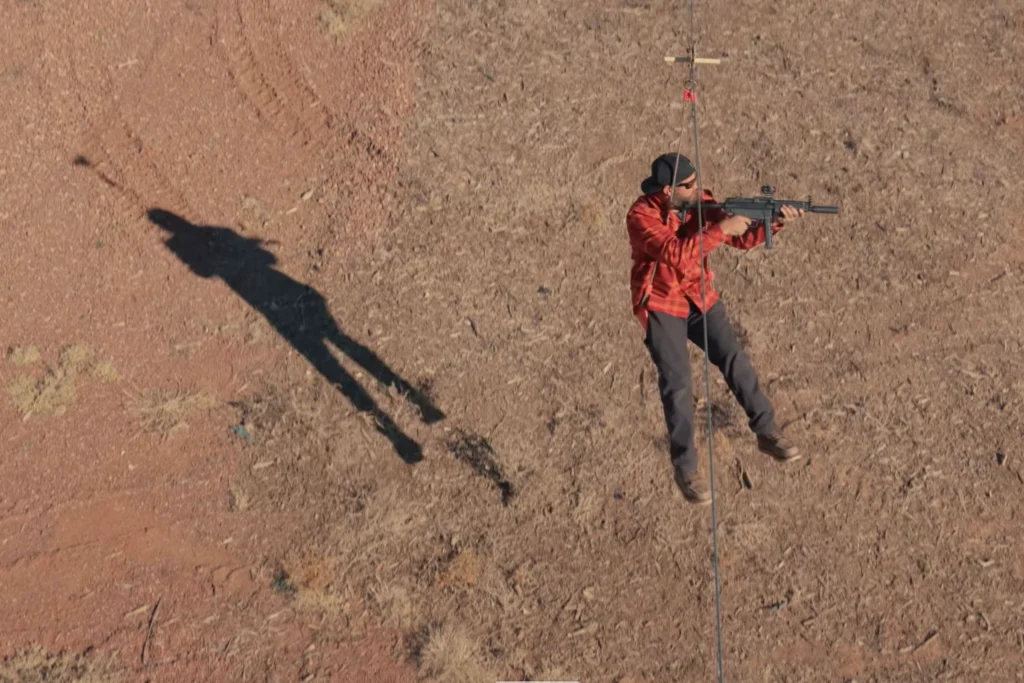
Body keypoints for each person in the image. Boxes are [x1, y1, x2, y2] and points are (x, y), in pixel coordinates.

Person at [626, 152, 803, 504]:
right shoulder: (641, 215)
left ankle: (767, 431)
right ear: (668, 190)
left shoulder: (702, 202)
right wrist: (720, 230)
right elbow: (675, 253)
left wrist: (772, 222)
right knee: (678, 382)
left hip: (698, 295)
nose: (697, 189)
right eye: (688, 185)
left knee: (734, 357)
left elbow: (740, 239)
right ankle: (686, 468)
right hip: (662, 301)